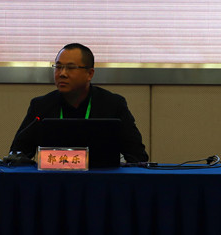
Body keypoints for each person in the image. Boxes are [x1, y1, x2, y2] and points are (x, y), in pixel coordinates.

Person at [9, 43, 148, 163]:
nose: (62, 73)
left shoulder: (113, 104)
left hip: (100, 180)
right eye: (58, 67)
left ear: (90, 74)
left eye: (70, 68)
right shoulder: (41, 106)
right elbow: (17, 154)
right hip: (53, 180)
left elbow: (137, 155)